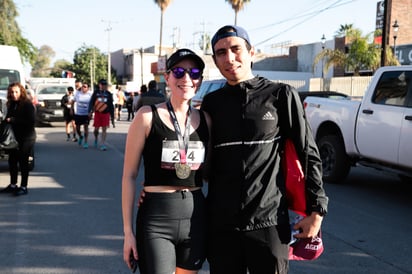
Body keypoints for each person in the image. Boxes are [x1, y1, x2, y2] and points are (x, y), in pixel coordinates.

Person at [200, 25, 329, 274]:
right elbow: (197, 157)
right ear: (215, 60)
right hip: (222, 225)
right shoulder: (212, 103)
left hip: (269, 222)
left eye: (236, 49)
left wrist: (317, 211)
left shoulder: (281, 95)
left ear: (251, 52)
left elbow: (309, 153)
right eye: (221, 52)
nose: (229, 58)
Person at [122, 48, 211, 274]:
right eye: (179, 72)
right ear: (167, 77)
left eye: (194, 73)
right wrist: (128, 233)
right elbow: (129, 176)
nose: (186, 79)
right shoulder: (147, 115)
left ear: (200, 79)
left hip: (195, 216)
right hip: (156, 220)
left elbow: (212, 171)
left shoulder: (207, 119)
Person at [0, 83, 36, 196]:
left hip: (26, 137)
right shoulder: (11, 104)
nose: (14, 94)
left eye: (16, 92)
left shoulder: (27, 104)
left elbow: (31, 122)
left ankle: (24, 186)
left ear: (21, 92)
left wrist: (14, 120)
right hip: (14, 138)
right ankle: (13, 185)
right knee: (12, 161)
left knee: (23, 162)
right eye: (11, 92)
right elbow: (8, 119)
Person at [89, 79, 115, 151]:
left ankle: (103, 144)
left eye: (105, 85)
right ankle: (96, 138)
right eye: (103, 85)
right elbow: (91, 102)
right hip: (98, 113)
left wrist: (112, 116)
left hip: (106, 113)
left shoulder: (108, 94)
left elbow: (111, 105)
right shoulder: (96, 93)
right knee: (96, 129)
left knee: (104, 129)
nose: (104, 86)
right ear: (100, 85)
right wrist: (90, 111)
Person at [72, 82, 92, 149]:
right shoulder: (78, 93)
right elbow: (73, 101)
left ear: (88, 88)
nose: (83, 88)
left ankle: (86, 142)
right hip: (78, 113)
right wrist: (71, 109)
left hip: (86, 114)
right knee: (77, 128)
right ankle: (80, 136)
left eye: (85, 87)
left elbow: (93, 104)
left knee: (86, 127)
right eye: (83, 86)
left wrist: (91, 112)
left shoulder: (90, 94)